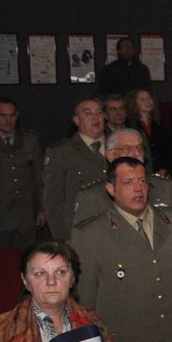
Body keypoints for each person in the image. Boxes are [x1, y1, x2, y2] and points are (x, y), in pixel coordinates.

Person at [74, 156, 172, 342]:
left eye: (142, 181)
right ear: (111, 189)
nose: (138, 189)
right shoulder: (92, 234)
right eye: (128, 182)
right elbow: (85, 305)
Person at [0, 96, 44, 250]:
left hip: (26, 214)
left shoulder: (30, 139)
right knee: (0, 261)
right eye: (3, 115)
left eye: (12, 115)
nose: (8, 120)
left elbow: (39, 176)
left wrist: (42, 208)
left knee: (28, 258)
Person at [42, 96, 107, 240]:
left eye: (99, 113)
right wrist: (62, 238)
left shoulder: (119, 146)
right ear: (77, 120)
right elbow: (53, 200)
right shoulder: (61, 152)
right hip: (80, 231)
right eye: (88, 113)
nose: (95, 118)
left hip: (114, 229)